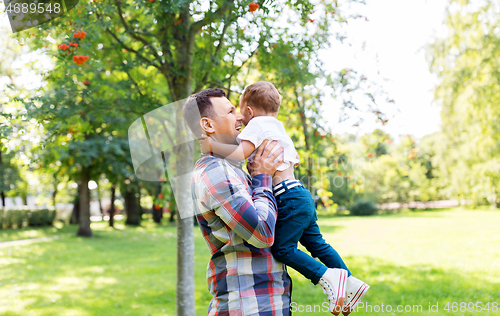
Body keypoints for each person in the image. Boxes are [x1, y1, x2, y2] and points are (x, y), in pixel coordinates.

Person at [200, 82, 369, 316]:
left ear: (249, 110)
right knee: (317, 243)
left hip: (286, 197)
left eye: (237, 110)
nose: (238, 116)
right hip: (299, 193)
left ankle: (327, 277)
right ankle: (349, 281)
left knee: (283, 248)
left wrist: (211, 144)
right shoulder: (276, 128)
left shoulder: (256, 126)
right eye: (230, 112)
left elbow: (240, 154)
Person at [183, 88, 292, 316]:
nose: (241, 116)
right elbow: (262, 233)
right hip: (246, 307)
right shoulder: (215, 171)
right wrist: (263, 177)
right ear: (208, 125)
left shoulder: (234, 169)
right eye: (231, 111)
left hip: (264, 303)